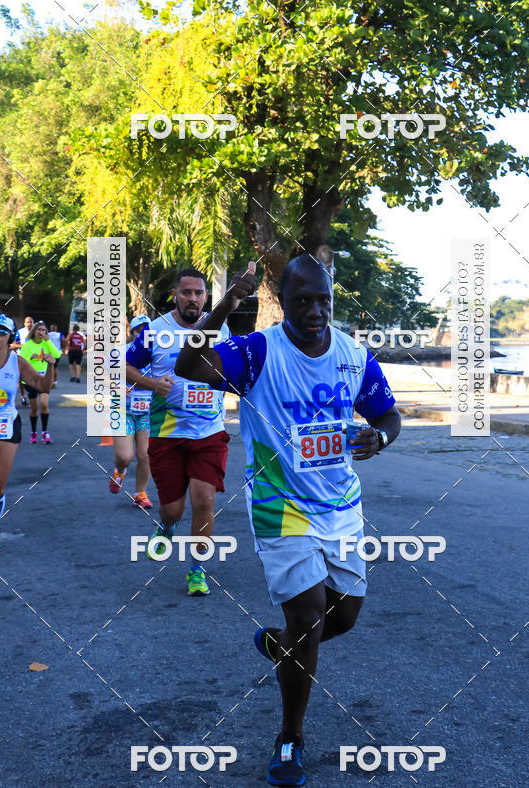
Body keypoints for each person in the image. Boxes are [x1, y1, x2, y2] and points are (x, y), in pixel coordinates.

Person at [175, 256, 401, 786]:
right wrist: (228, 302)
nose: (316, 311)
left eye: (323, 300)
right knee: (308, 617)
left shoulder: (351, 354)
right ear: (283, 301)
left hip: (343, 507)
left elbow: (388, 414)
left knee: (342, 619)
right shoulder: (258, 353)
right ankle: (290, 739)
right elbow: (188, 368)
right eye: (303, 301)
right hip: (282, 507)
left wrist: (381, 436)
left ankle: (280, 647)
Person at [126, 267, 232, 597]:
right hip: (167, 433)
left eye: (199, 293)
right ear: (174, 295)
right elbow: (123, 366)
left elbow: (234, 367)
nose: (193, 298)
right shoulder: (156, 331)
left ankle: (197, 569)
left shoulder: (220, 328)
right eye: (186, 292)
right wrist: (152, 383)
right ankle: (167, 526)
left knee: (205, 500)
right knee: (173, 509)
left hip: (209, 431)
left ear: (205, 297)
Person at [0, 313, 55, 549]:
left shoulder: (17, 362)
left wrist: (49, 365)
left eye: (1, 331)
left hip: (6, 425)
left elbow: (43, 386)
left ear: (10, 337)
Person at [109, 314, 153, 510]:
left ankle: (140, 493)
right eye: (139, 331)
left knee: (145, 455)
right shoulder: (120, 353)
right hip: (122, 410)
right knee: (125, 457)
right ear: (132, 333)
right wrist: (116, 386)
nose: (143, 335)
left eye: (147, 331)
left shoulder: (157, 354)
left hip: (147, 412)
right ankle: (119, 471)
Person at [19, 321, 62, 444]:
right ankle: (33, 432)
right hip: (31, 378)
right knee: (34, 407)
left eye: (44, 330)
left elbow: (57, 354)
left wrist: (48, 341)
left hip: (44, 378)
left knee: (44, 404)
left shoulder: (47, 343)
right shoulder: (28, 345)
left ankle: (44, 432)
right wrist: (30, 357)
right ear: (34, 331)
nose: (41, 332)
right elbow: (21, 360)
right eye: (39, 329)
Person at [12, 315, 34, 405]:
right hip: (22, 358)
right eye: (28, 322)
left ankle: (31, 392)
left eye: (31, 322)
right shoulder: (20, 332)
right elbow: (13, 345)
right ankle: (23, 396)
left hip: (33, 359)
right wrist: (23, 346)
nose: (29, 324)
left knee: (32, 377)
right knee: (21, 378)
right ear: (24, 323)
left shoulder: (36, 332)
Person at [48, 323, 65, 388]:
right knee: (55, 368)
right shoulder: (59, 334)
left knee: (49, 368)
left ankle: (50, 381)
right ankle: (55, 381)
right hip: (57, 352)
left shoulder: (48, 334)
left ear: (50, 328)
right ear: (56, 329)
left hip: (49, 353)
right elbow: (64, 340)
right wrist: (63, 348)